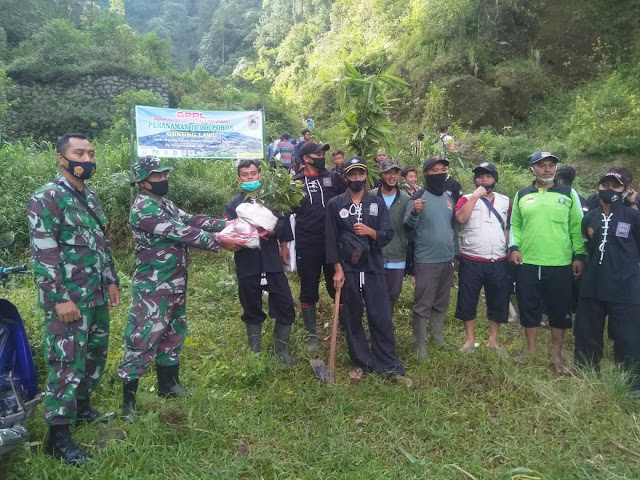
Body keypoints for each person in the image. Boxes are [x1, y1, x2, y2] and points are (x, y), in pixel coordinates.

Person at [117, 156, 244, 423]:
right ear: (143, 182)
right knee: (142, 340)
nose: (163, 180)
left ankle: (169, 386)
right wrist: (220, 241)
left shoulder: (164, 204)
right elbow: (182, 231)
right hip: (153, 287)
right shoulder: (144, 208)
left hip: (175, 283)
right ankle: (128, 403)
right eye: (156, 177)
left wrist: (226, 224)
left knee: (173, 335)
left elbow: (192, 219)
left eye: (164, 175)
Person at [27, 133, 120, 466]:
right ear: (61, 158)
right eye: (79, 152)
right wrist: (58, 299)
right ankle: (59, 436)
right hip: (69, 301)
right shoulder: (47, 198)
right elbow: (45, 254)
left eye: (91, 152)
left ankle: (82, 409)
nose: (87, 158)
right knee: (66, 364)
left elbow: (101, 245)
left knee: (94, 356)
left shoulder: (91, 198)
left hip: (94, 295)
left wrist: (111, 281)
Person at [325, 157, 409, 384]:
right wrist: (337, 269)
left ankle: (388, 364)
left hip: (372, 267)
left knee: (380, 315)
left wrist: (371, 232)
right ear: (346, 177)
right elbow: (330, 239)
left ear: (366, 176)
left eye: (360, 174)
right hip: (348, 269)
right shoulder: (335, 204)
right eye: (352, 175)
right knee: (352, 317)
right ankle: (362, 361)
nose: (357, 179)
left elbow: (387, 233)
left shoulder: (376, 203)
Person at [509, 151, 586, 374]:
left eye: (551, 165)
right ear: (532, 169)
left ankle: (557, 356)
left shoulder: (569, 193)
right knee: (529, 306)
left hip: (560, 262)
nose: (547, 169)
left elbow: (576, 227)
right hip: (529, 262)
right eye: (542, 165)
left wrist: (579, 255)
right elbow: (516, 225)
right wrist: (514, 247)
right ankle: (531, 351)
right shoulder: (522, 194)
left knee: (559, 309)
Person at [574, 170, 640, 398]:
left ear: (625, 189)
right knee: (586, 331)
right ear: (598, 188)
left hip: (625, 284)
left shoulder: (634, 217)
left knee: (628, 335)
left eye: (615, 185)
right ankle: (586, 374)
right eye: (605, 185)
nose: (609, 189)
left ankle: (631, 382)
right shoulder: (589, 217)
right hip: (593, 283)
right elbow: (587, 245)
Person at [226, 160, 297, 366]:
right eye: (245, 175)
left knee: (284, 303)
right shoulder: (234, 205)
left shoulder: (272, 201)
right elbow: (228, 231)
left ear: (260, 176)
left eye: (253, 173)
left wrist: (283, 245)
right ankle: (255, 354)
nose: (250, 178)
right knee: (250, 305)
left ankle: (281, 351)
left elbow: (282, 225)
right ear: (239, 179)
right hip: (247, 262)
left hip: (271, 260)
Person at [292, 142, 347, 351]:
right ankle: (311, 335)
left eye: (323, 153)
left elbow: (350, 197)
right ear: (306, 158)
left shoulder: (333, 178)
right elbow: (284, 214)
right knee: (308, 288)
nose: (322, 156)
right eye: (318, 153)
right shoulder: (295, 183)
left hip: (333, 242)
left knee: (339, 286)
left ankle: (343, 327)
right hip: (307, 243)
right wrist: (283, 244)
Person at [454, 162, 511, 354]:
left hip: (498, 260)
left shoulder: (505, 201)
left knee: (498, 300)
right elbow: (461, 219)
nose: (484, 179)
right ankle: (469, 340)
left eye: (488, 175)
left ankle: (493, 341)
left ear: (495, 178)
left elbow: (510, 226)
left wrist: (510, 247)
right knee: (467, 300)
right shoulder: (465, 198)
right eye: (480, 176)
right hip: (471, 258)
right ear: (475, 180)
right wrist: (476, 197)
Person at [404, 156, 458, 357]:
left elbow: (452, 228)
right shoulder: (418, 197)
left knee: (442, 301)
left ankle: (437, 337)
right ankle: (419, 345)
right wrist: (416, 212)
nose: (440, 174)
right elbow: (408, 226)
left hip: (447, 258)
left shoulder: (448, 197)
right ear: (426, 174)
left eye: (443, 169)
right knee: (423, 303)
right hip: (426, 259)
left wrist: (456, 253)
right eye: (434, 171)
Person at [371, 159, 410, 314]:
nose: (392, 176)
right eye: (388, 173)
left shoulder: (406, 199)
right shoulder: (371, 197)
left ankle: (385, 329)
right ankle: (371, 330)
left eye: (395, 173)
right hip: (375, 255)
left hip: (397, 256)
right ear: (381, 174)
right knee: (373, 295)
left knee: (391, 296)